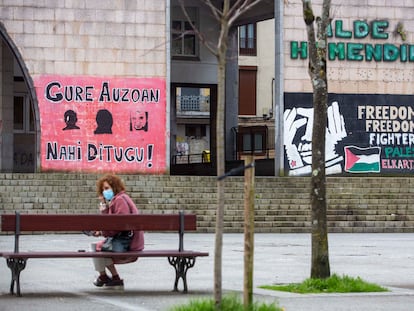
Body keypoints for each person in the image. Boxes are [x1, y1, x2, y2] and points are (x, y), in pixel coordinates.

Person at [92, 174, 145, 288]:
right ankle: (113, 278)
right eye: (103, 190)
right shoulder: (119, 199)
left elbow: (120, 226)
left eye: (106, 188)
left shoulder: (120, 200)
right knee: (98, 246)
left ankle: (105, 277)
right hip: (126, 239)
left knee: (97, 248)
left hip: (129, 242)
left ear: (114, 187)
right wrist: (105, 209)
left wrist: (102, 232)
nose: (105, 192)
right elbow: (112, 223)